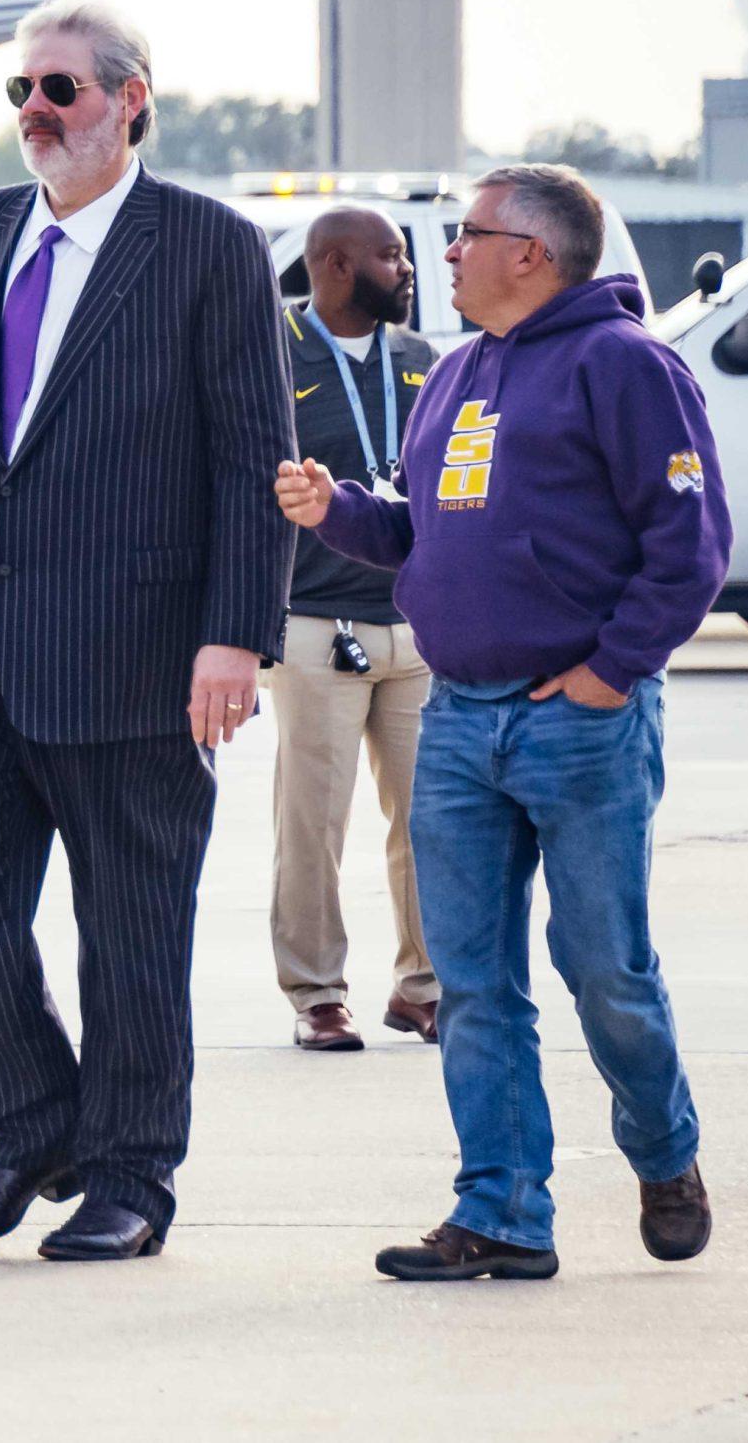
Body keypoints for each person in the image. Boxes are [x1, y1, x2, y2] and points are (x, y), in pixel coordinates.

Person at [0, 0, 294, 1261]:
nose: (34, 113)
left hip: (136, 656)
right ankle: (37, 1123)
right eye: (20, 93)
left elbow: (256, 458)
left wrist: (236, 636)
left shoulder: (208, 247)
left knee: (130, 935)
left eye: (60, 91)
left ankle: (132, 1174)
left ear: (128, 99)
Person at [276, 163, 731, 1281]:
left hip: (577, 723)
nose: (444, 254)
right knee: (470, 980)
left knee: (601, 966)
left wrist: (609, 674)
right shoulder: (460, 374)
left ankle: (664, 1151)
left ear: (529, 250)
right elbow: (423, 534)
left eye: (464, 235)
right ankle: (503, 1214)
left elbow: (691, 544)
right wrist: (337, 512)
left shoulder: (625, 366)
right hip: (459, 720)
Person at [268, 208, 442, 1051]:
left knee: (431, 819)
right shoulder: (274, 352)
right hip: (315, 625)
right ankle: (316, 992)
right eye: (392, 254)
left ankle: (424, 985)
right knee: (313, 822)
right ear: (336, 265)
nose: (409, 268)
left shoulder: (424, 360)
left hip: (419, 630)